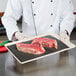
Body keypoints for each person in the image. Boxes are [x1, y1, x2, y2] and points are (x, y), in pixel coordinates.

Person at [2, 0, 75, 41]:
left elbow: (68, 15)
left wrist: (64, 31)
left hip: (55, 41)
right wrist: (16, 33)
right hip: (29, 40)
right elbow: (8, 17)